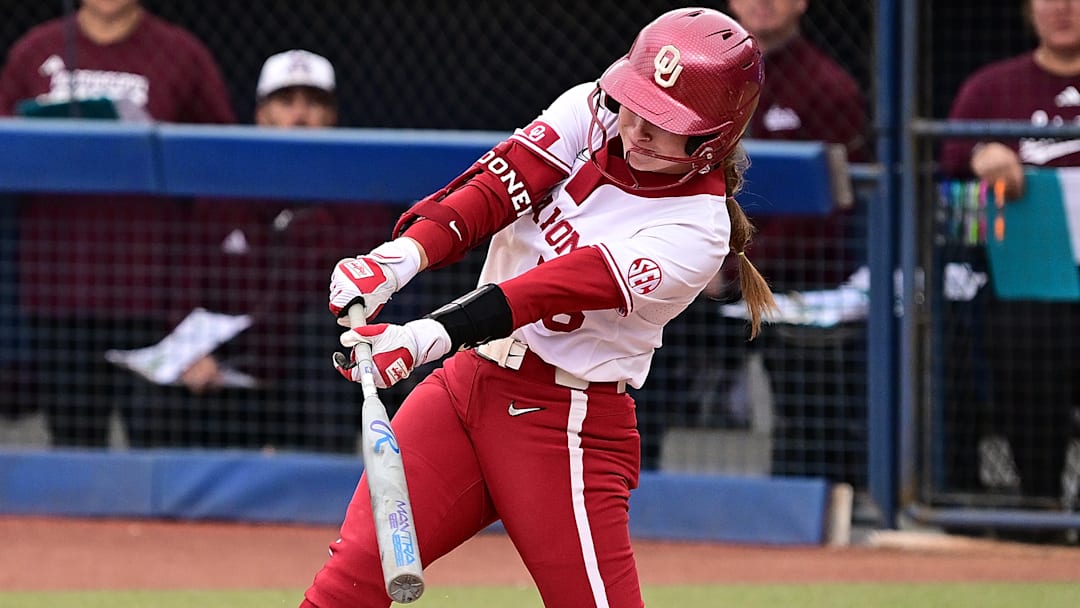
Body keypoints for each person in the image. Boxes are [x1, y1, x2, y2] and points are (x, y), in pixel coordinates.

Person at [302, 8, 775, 607]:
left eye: (663, 122)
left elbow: (547, 289)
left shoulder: (695, 228)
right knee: (351, 579)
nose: (637, 129)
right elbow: (496, 189)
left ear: (713, 141)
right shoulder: (591, 110)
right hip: (466, 387)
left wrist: (424, 337)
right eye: (635, 103)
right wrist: (398, 259)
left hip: (565, 424)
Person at [634, 0, 870, 477]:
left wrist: (731, 265)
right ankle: (628, 493)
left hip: (790, 283)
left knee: (810, 395)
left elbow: (827, 216)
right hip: (696, 275)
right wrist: (695, 260)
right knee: (631, 348)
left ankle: (804, 511)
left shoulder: (830, 87)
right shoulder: (691, 74)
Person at [122, 50, 389, 451]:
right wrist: (194, 356)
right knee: (153, 396)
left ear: (332, 117)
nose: (300, 116)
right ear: (261, 114)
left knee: (327, 337)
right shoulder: (222, 194)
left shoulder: (359, 199)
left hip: (306, 381)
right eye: (286, 103)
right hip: (227, 377)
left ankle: (324, 490)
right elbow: (185, 287)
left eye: (314, 103)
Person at [0, 0, 236, 447]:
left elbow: (220, 169)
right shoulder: (34, 52)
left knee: (159, 448)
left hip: (154, 296)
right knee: (74, 446)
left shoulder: (181, 54)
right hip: (60, 293)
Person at [938, 0, 1080, 504]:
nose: (1062, 8)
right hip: (1028, 277)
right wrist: (982, 153)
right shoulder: (992, 87)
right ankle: (1040, 505)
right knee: (1022, 346)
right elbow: (947, 156)